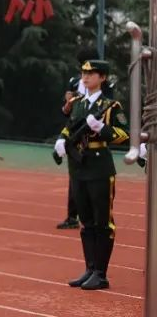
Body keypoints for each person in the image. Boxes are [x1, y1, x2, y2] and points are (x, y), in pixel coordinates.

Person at [55, 59, 129, 290]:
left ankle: (100, 273)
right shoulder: (77, 103)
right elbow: (70, 127)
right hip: (79, 166)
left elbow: (125, 134)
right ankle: (89, 269)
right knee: (86, 221)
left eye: (91, 73)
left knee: (103, 221)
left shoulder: (111, 105)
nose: (85, 77)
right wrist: (61, 140)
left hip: (100, 167)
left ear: (102, 78)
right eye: (83, 73)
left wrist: (101, 129)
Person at [55, 69, 85, 229]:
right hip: (74, 136)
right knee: (74, 179)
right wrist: (63, 137)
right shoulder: (75, 83)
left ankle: (93, 217)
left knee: (92, 181)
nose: (86, 76)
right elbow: (67, 113)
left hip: (92, 141)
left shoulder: (103, 92)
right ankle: (73, 216)